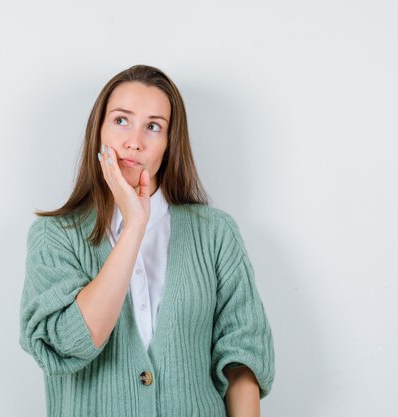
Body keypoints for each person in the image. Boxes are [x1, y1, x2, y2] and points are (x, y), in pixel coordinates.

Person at [19, 64, 275, 417]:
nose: (134, 142)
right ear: (99, 130)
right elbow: (70, 343)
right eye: (121, 120)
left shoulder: (215, 233)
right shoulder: (55, 237)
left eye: (153, 127)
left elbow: (243, 355)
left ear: (170, 144)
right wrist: (135, 224)